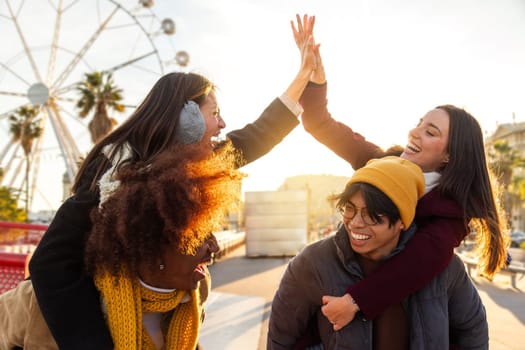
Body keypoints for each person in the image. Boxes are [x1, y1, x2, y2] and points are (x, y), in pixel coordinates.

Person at [27, 21, 320, 349]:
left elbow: (256, 136)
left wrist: (303, 76)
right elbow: (50, 262)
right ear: (185, 116)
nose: (223, 124)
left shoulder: (189, 170)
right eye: (215, 113)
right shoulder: (115, 174)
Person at [291, 14, 508, 330]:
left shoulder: (450, 213)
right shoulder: (381, 166)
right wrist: (315, 77)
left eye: (430, 131)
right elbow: (318, 123)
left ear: (450, 155)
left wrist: (355, 302)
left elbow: (417, 263)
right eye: (419, 122)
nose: (414, 132)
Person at [0, 143, 243, 349]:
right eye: (199, 234)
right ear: (153, 247)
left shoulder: (194, 293)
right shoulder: (41, 304)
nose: (214, 247)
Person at [267, 156, 488, 350]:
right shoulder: (312, 262)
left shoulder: (444, 268)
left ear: (402, 221)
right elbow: (281, 337)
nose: (355, 223)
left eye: (372, 215)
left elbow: (473, 326)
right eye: (350, 209)